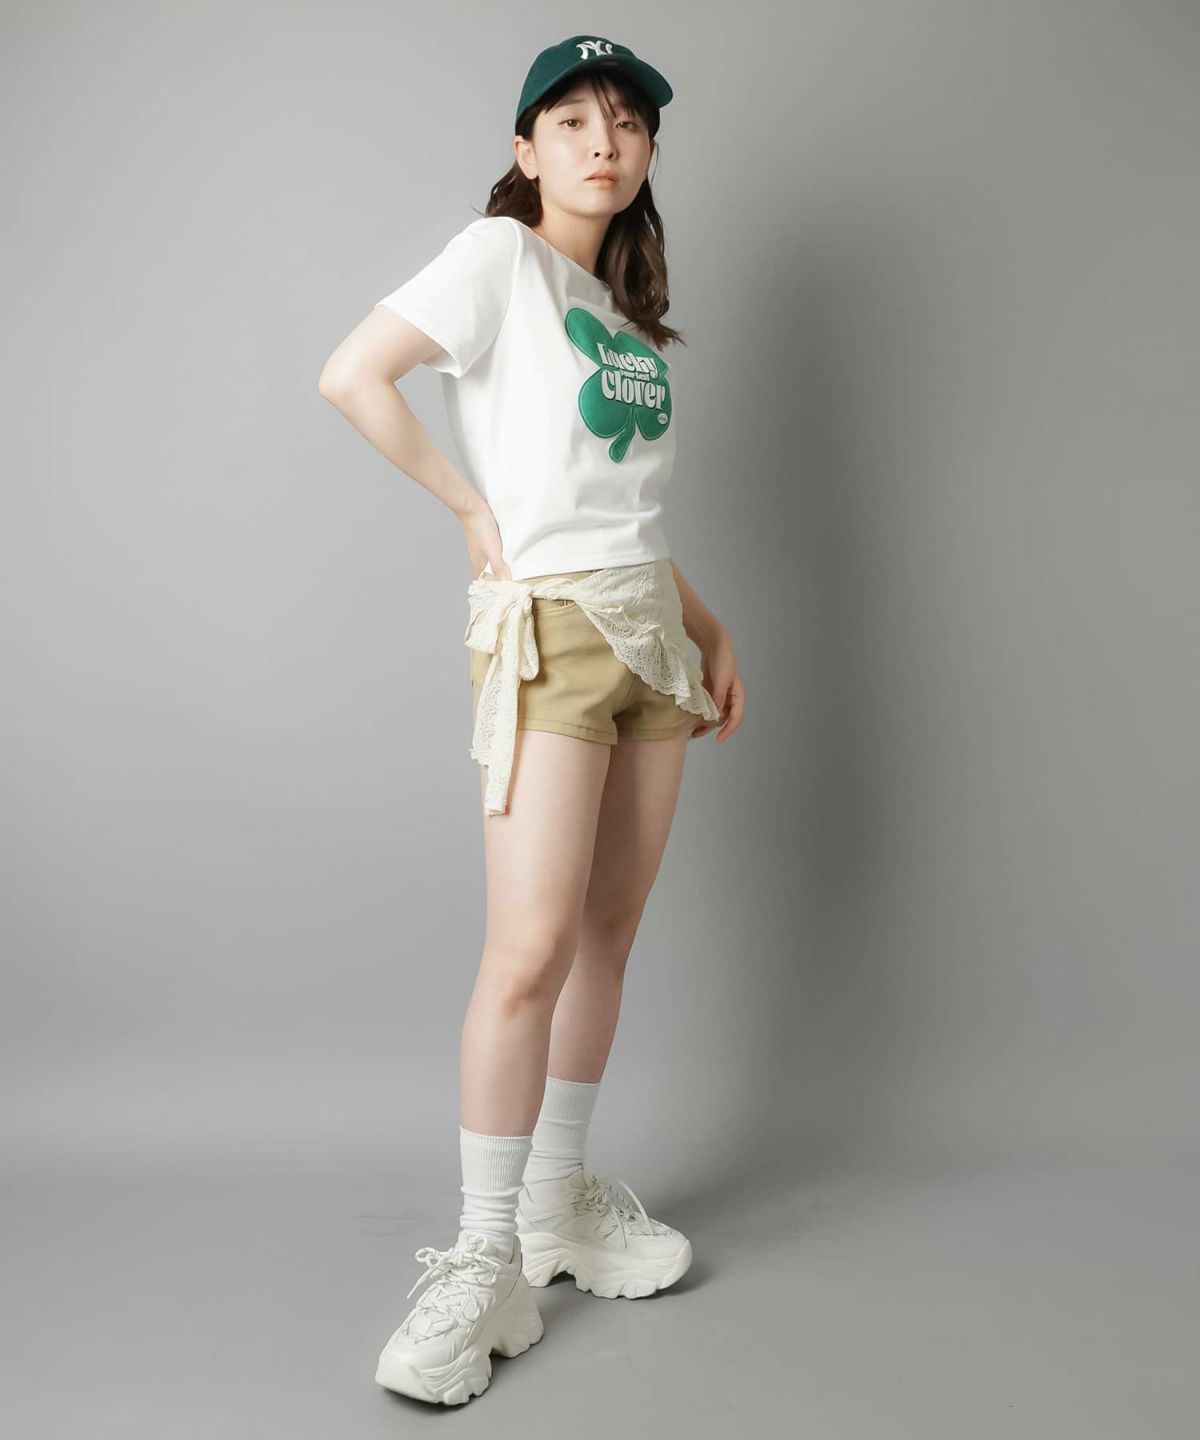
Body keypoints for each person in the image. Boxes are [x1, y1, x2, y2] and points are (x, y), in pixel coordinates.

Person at [318, 33, 745, 1407]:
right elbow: (354, 373)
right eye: (571, 121)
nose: (602, 144)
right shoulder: (497, 259)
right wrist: (467, 508)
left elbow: (617, 504)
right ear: (526, 149)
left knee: (608, 938)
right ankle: (484, 1257)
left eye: (626, 123)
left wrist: (708, 623)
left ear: (648, 152)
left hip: (651, 639)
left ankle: (557, 1204)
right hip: (551, 635)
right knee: (528, 952)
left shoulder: (621, 315)